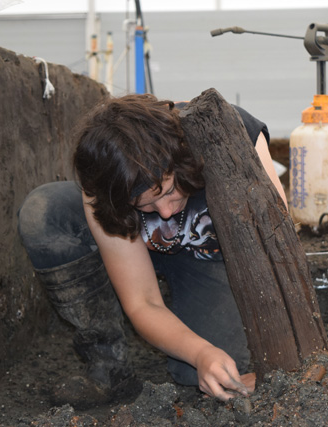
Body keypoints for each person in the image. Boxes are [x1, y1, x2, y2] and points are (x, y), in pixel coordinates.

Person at [17, 93, 287, 408]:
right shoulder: (105, 183)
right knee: (44, 211)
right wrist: (199, 352)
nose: (165, 212)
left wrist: (253, 356)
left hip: (209, 257)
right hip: (132, 247)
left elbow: (274, 249)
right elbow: (143, 302)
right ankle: (107, 366)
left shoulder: (229, 137)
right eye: (145, 204)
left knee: (214, 371)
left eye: (170, 191)